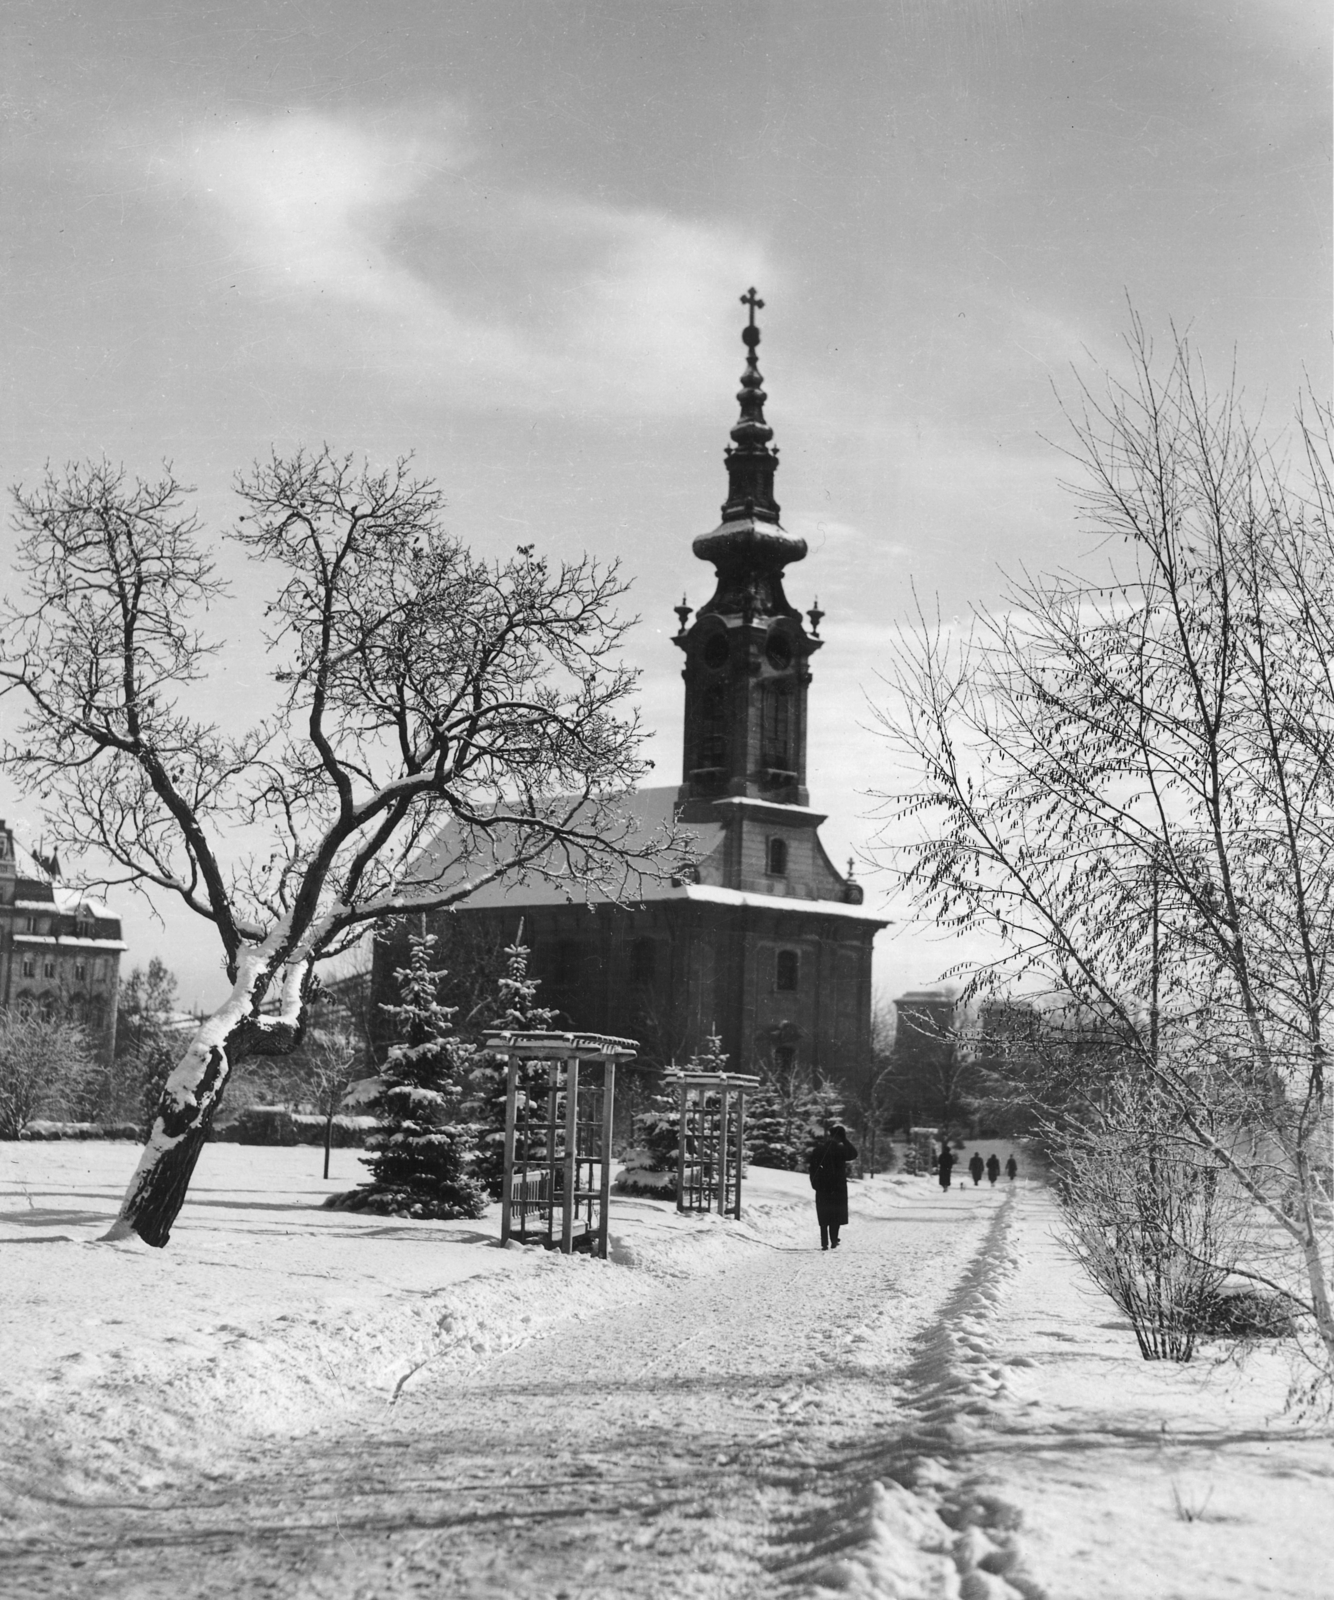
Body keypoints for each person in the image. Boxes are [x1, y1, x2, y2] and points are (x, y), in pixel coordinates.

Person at [809, 1124, 858, 1249]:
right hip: (838, 1187)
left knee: (824, 1214)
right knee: (836, 1214)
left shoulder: (818, 1150)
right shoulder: (841, 1150)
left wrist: (814, 1184)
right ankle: (834, 1240)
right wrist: (844, 1140)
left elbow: (812, 1168)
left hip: (822, 1187)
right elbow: (854, 1154)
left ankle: (824, 1242)